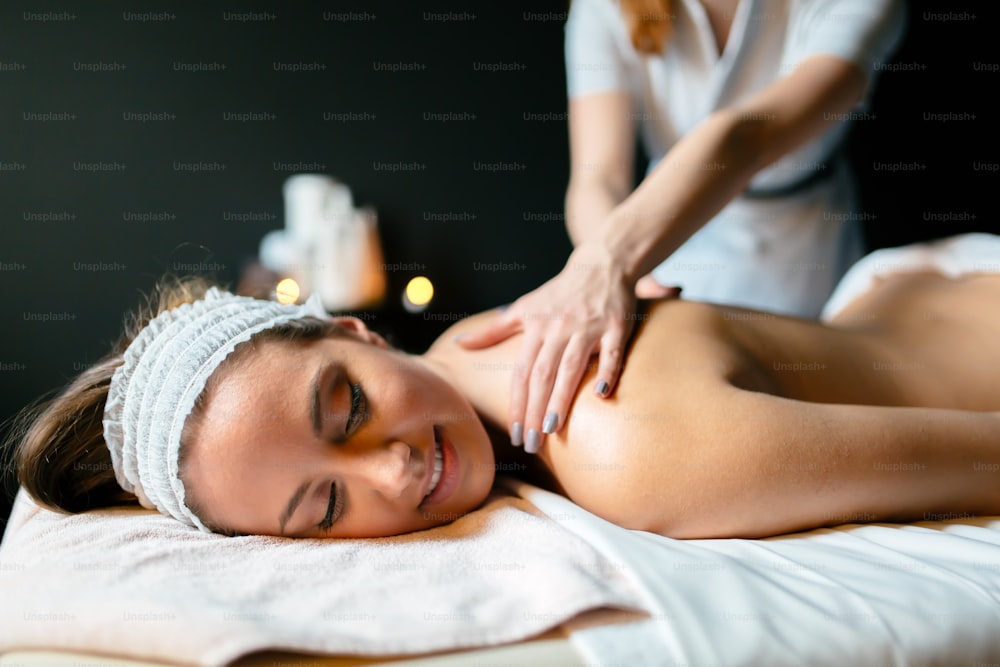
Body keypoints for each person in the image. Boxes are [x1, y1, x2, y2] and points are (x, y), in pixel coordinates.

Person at [11, 234, 1000, 540]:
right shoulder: (464, 341)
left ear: (356, 328)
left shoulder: (636, 453)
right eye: (323, 505)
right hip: (899, 291)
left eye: (346, 407)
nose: (394, 471)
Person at [456, 0, 907, 458]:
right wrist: (629, 279)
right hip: (654, 244)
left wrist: (608, 263)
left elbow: (745, 138)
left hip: (801, 252)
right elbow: (598, 179)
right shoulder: (604, 8)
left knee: (798, 427)